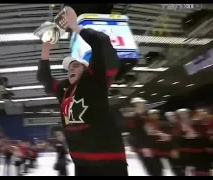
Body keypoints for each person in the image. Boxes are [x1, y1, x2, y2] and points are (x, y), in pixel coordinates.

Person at [37, 7, 127, 176]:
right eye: (69, 67)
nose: (71, 67)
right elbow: (44, 79)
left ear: (86, 70)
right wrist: (46, 50)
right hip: (81, 164)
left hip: (108, 162)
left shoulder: (95, 79)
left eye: (76, 65)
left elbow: (102, 43)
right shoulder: (63, 88)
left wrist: (76, 27)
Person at [128, 98, 162, 176]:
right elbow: (134, 133)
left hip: (153, 144)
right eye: (140, 103)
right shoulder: (132, 118)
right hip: (144, 147)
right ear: (136, 105)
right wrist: (143, 146)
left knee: (158, 167)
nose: (143, 105)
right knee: (152, 167)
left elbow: (154, 128)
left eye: (143, 103)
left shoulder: (148, 116)